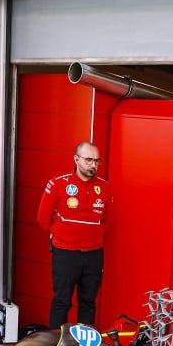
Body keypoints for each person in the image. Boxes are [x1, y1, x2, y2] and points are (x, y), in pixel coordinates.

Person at [36, 141, 113, 329]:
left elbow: (107, 220)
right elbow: (43, 217)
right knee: (61, 301)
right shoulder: (59, 183)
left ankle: (84, 345)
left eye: (96, 161)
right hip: (66, 253)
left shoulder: (105, 187)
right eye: (88, 160)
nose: (93, 165)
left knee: (88, 303)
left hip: (94, 254)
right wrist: (59, 235)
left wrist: (92, 236)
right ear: (76, 159)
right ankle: (57, 344)